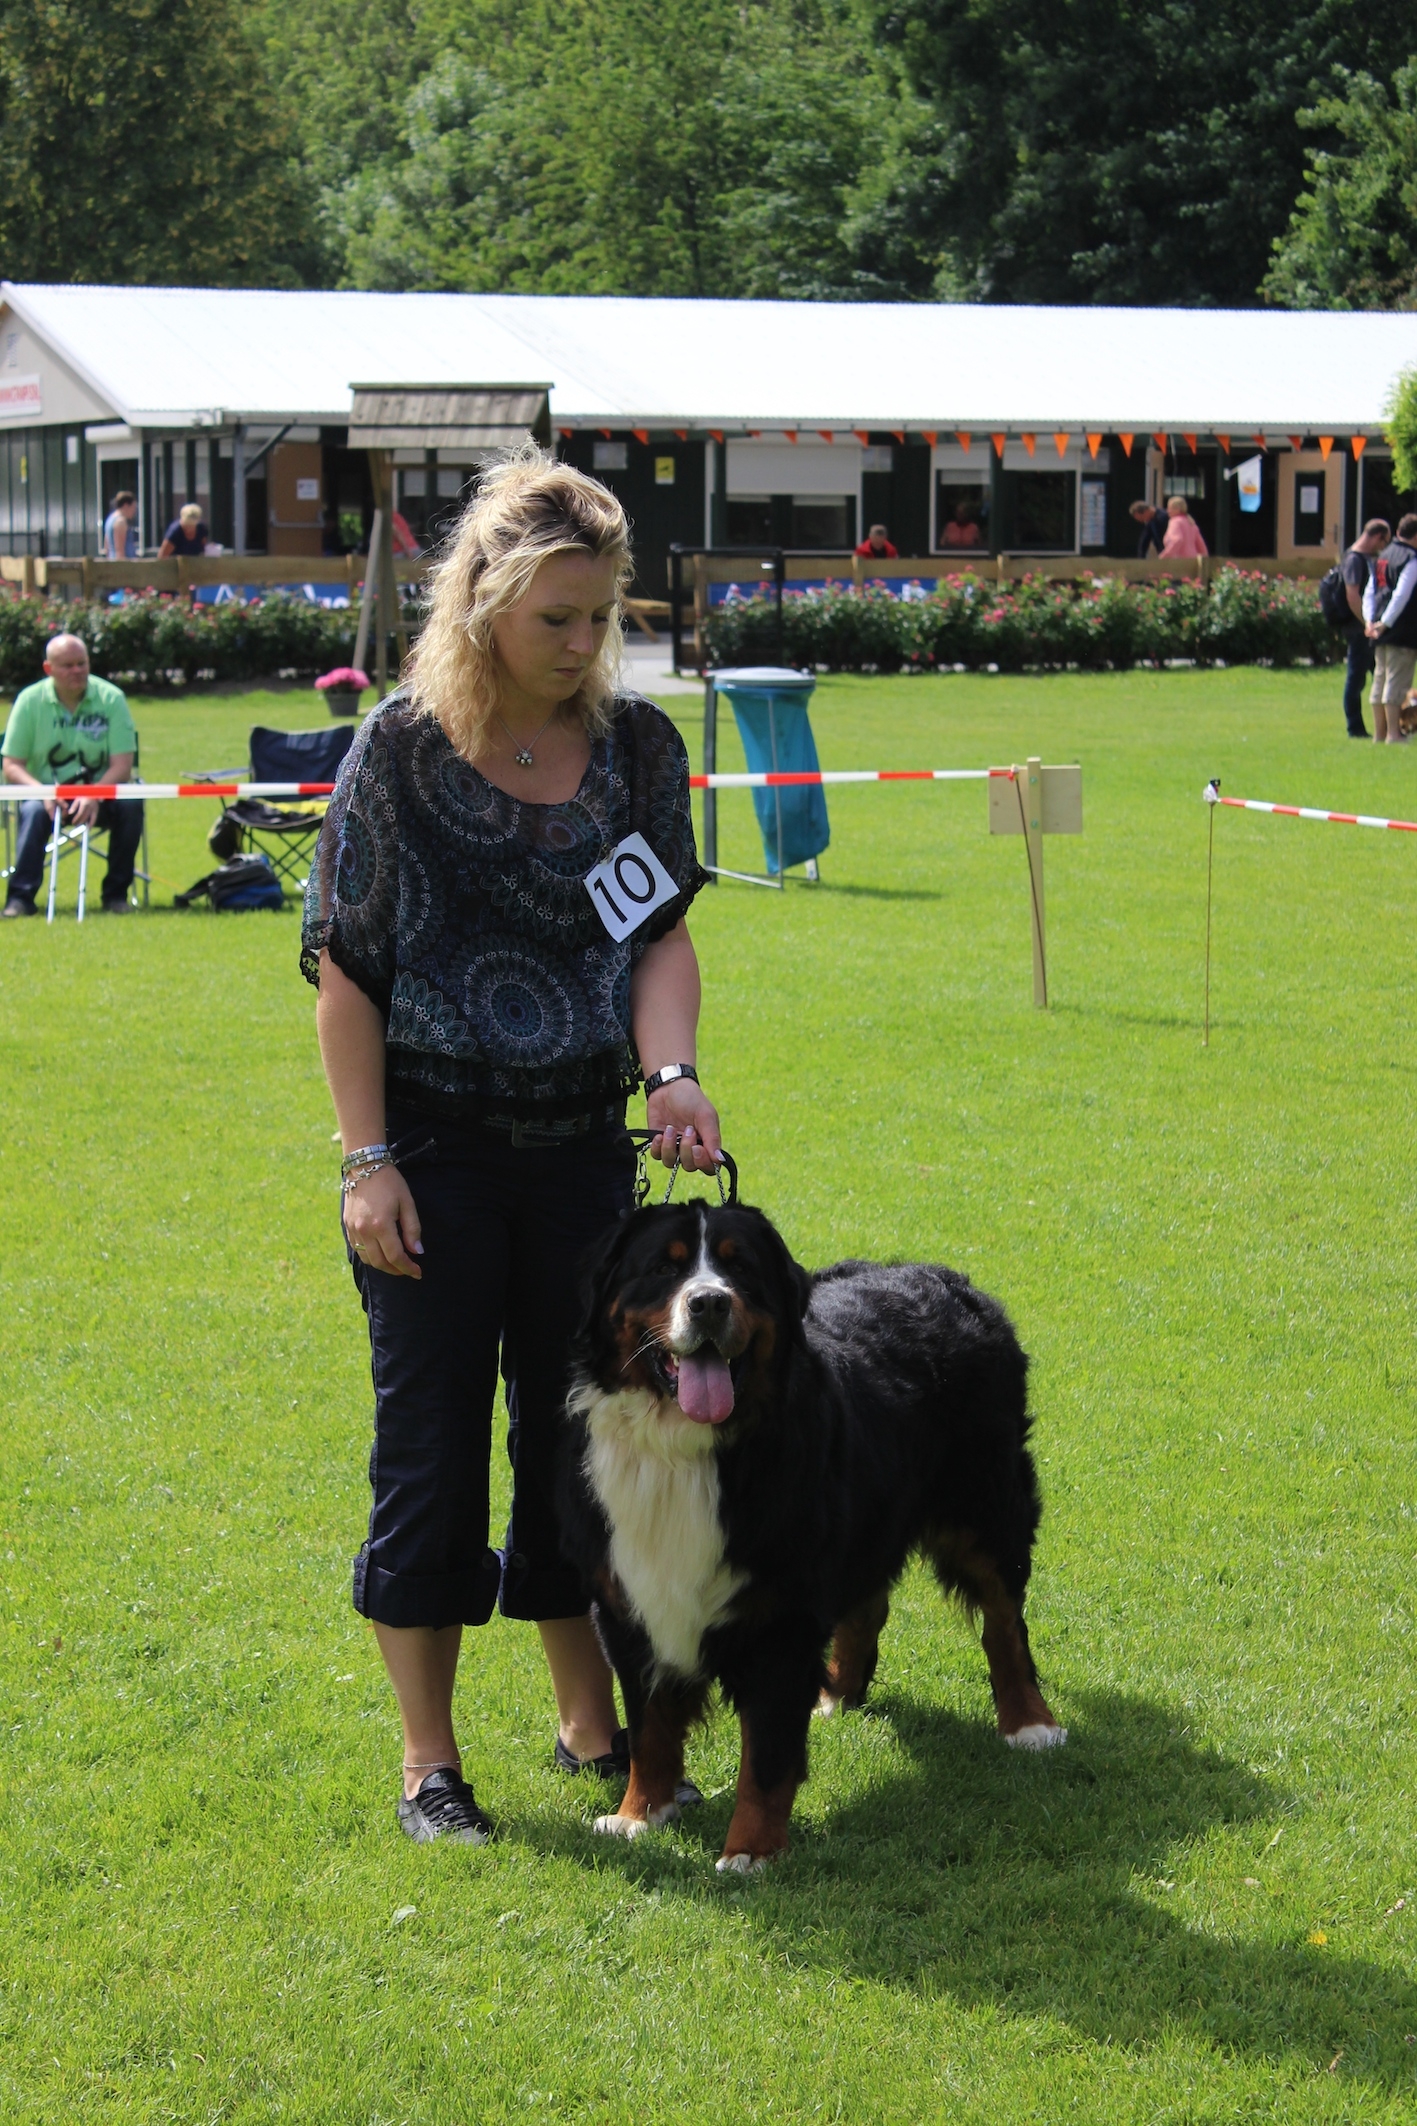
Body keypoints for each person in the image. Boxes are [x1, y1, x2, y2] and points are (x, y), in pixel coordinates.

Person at [302, 446, 722, 1845]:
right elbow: (348, 970)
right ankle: (430, 1763)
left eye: (602, 617)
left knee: (576, 1444)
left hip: (580, 1164)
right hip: (429, 1154)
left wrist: (669, 1070)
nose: (584, 644)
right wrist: (368, 1162)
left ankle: (587, 1717)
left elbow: (655, 933)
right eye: (557, 617)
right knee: (429, 1456)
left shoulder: (630, 758)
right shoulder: (402, 756)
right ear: (480, 598)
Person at [2, 634, 143, 916]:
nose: (77, 671)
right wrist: (42, 792)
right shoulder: (29, 702)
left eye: (82, 663)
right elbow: (11, 764)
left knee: (131, 805)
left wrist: (94, 795)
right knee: (30, 812)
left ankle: (116, 895)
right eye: (67, 665)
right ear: (48, 669)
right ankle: (20, 899)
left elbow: (122, 766)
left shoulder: (111, 698)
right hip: (45, 798)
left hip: (102, 795)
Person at [1363, 511, 1417, 743]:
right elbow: (1401, 595)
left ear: (1397, 532)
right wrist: (1386, 623)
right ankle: (1394, 734)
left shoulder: (1382, 557)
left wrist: (1370, 621)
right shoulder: (1411, 559)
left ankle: (1379, 734)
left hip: (1377, 628)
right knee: (1396, 682)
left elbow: (1370, 591)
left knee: (1380, 680)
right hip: (1400, 629)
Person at [1339, 518, 1389, 739]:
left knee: (1381, 676)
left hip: (1366, 628)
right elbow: (1352, 596)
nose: (1383, 547)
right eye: (1384, 542)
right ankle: (1355, 728)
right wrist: (1366, 622)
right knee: (1356, 678)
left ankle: (1387, 727)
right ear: (1377, 537)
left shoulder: (1364, 558)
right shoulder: (1354, 560)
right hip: (1358, 628)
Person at [103, 490, 138, 560]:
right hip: (122, 565)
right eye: (133, 507)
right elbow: (119, 549)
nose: (134, 511)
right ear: (126, 505)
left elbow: (107, 546)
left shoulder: (110, 519)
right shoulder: (120, 522)